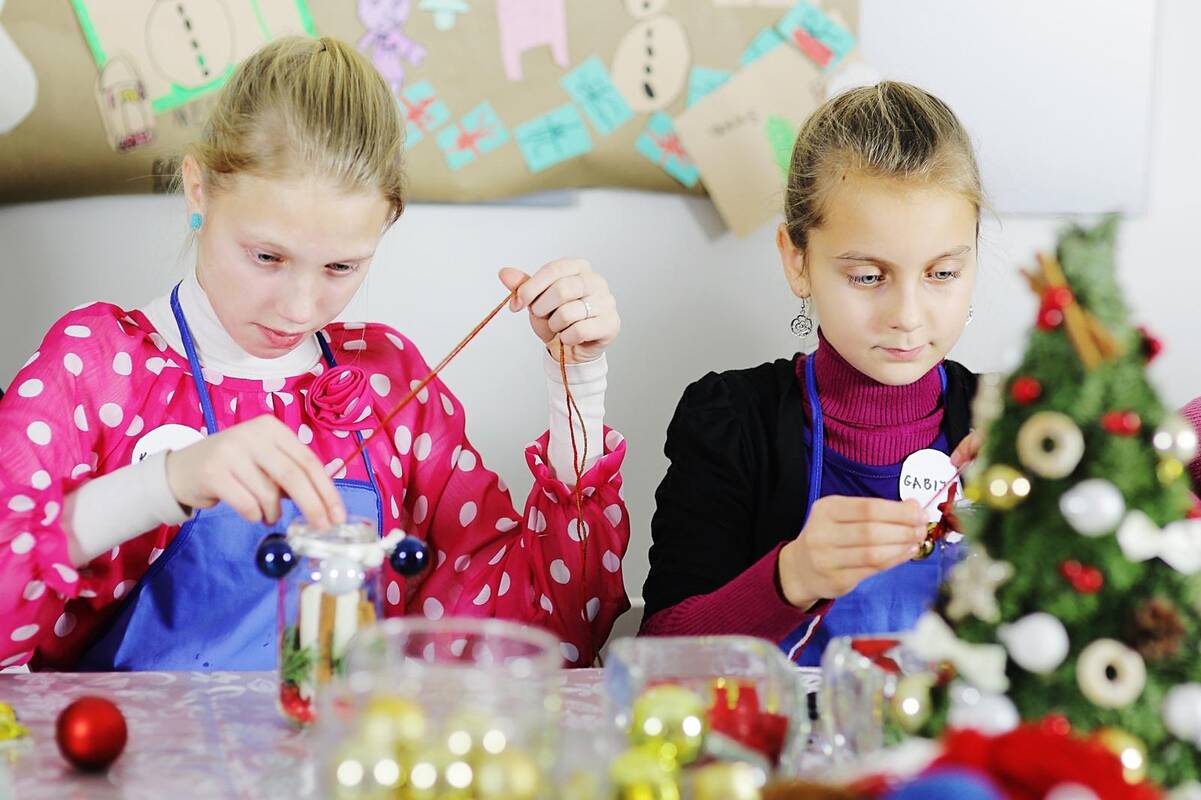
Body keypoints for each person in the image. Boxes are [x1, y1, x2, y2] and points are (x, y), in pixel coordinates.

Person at [0, 36, 629, 671]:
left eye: (340, 267)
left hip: (344, 739)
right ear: (197, 190)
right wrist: (164, 483)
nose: (299, 309)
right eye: (266, 257)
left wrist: (576, 385)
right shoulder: (97, 369)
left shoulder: (388, 382)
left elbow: (551, 634)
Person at [641, 82, 982, 665]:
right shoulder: (731, 422)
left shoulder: (1011, 423)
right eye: (868, 277)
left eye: (942, 273)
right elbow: (657, 656)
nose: (907, 316)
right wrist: (791, 577)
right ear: (796, 260)